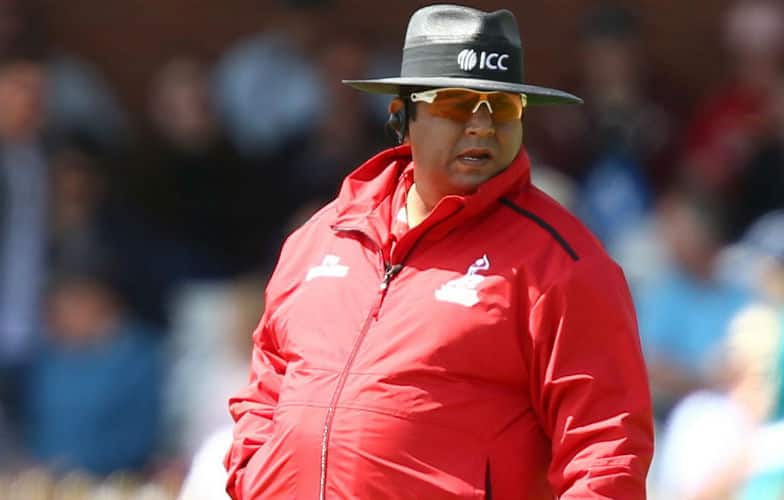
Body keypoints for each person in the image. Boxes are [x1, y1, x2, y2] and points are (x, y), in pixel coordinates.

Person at [225, 5, 654, 499]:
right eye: (456, 104)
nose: (482, 126)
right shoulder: (321, 237)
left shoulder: (562, 264)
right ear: (401, 116)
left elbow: (606, 453)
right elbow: (264, 397)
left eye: (503, 107)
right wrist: (255, 477)